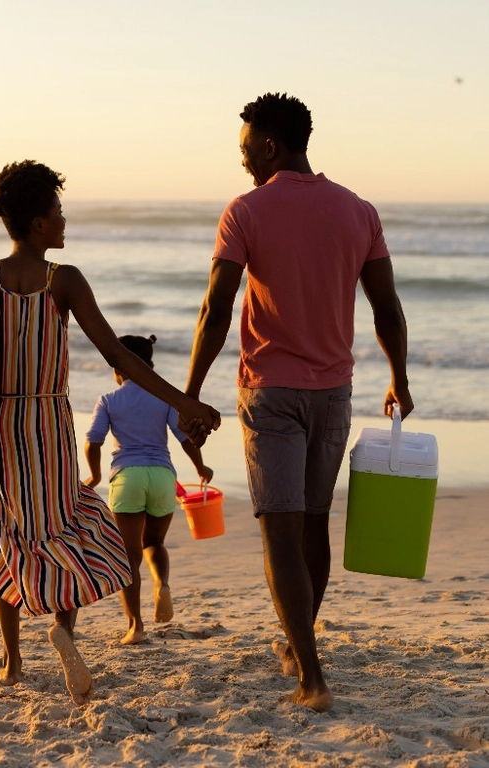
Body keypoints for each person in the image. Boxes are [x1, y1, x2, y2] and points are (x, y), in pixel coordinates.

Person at [0, 160, 220, 706]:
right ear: (37, 225)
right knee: (65, 526)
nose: (64, 220)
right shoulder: (64, 280)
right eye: (57, 212)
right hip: (48, 427)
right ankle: (64, 632)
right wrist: (184, 402)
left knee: (7, 534)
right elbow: (119, 355)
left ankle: (11, 660)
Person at [185, 93, 412, 712]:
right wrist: (400, 378)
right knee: (312, 525)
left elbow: (216, 308)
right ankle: (299, 646)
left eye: (244, 151)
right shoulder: (358, 210)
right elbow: (386, 307)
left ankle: (311, 677)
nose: (242, 164)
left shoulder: (246, 211)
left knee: (280, 534)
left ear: (269, 146)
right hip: (334, 392)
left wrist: (191, 391)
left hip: (272, 392)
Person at [82, 334, 213, 646]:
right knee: (154, 541)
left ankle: (135, 626)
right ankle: (162, 583)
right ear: (150, 367)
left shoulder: (109, 400)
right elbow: (184, 437)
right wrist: (200, 467)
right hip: (163, 476)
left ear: (118, 368)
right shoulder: (164, 399)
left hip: (128, 476)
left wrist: (95, 475)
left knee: (128, 556)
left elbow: (93, 441)